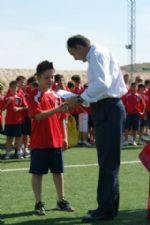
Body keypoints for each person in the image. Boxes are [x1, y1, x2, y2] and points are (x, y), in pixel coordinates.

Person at [66, 34, 127, 222]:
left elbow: (102, 83)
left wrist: (79, 98)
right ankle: (108, 207)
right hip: (106, 107)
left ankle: (106, 209)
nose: (75, 58)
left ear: (79, 47)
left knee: (108, 162)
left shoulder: (96, 55)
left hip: (108, 108)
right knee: (108, 161)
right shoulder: (100, 53)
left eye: (72, 53)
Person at [28, 60, 74, 215]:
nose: (50, 80)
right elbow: (39, 116)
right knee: (38, 173)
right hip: (39, 141)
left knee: (58, 172)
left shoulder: (56, 96)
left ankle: (61, 200)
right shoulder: (33, 95)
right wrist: (57, 109)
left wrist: (65, 137)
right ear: (38, 78)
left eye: (52, 77)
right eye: (47, 77)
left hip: (56, 141)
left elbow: (63, 118)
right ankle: (38, 203)